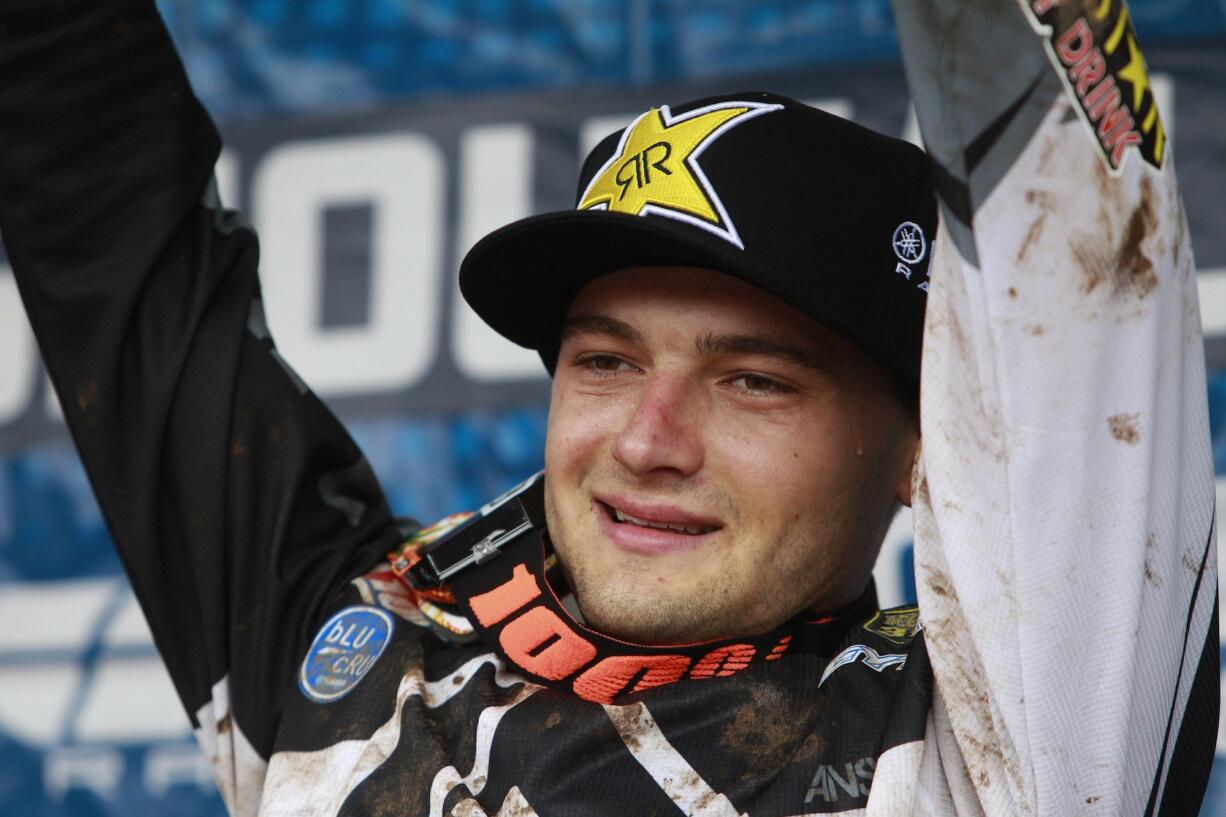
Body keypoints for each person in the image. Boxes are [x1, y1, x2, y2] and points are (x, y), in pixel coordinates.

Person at [0, 0, 1215, 815]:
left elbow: (1079, 252)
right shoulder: (344, 649)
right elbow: (106, 214)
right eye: (605, 360)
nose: (645, 441)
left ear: (919, 449)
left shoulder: (988, 749)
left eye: (753, 379)